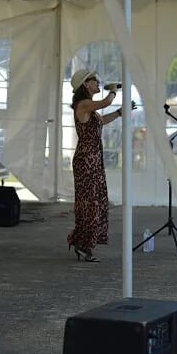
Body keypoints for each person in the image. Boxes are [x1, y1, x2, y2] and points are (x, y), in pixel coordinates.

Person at [66, 69, 135, 262]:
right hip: (86, 160)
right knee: (90, 204)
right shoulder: (83, 104)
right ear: (85, 85)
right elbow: (106, 102)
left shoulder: (90, 110)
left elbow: (102, 120)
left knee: (96, 202)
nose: (97, 83)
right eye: (94, 81)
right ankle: (84, 245)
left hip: (94, 159)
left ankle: (83, 243)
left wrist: (121, 112)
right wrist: (113, 90)